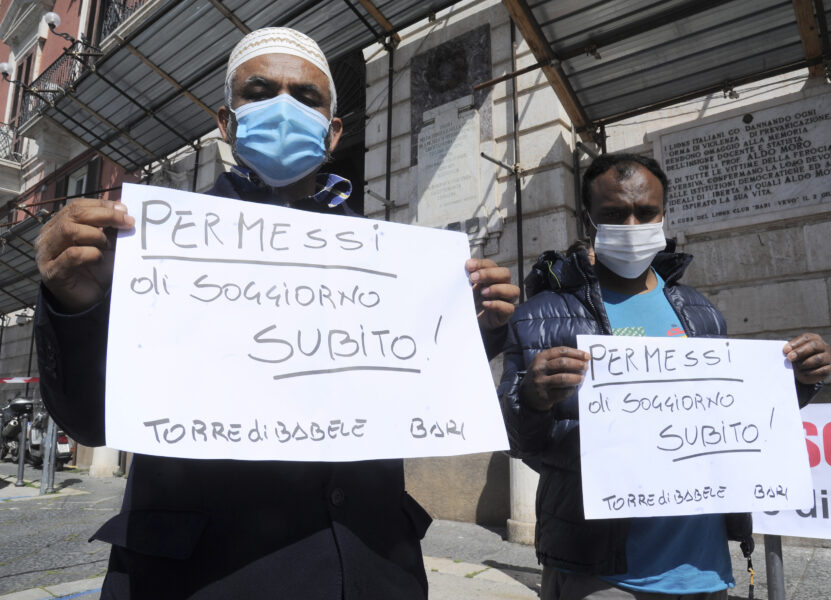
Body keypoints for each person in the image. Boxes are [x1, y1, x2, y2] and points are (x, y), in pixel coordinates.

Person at [35, 28, 518, 600]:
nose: (284, 108)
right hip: (202, 581)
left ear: (333, 131)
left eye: (307, 97)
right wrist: (75, 302)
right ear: (227, 122)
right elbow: (91, 422)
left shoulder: (389, 264)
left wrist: (469, 329)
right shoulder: (152, 248)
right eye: (260, 92)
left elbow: (414, 393)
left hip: (373, 572)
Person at [498, 153, 831, 600]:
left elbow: (734, 413)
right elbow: (518, 441)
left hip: (705, 571)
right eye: (614, 214)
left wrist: (799, 380)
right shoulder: (540, 317)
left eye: (646, 212)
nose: (632, 225)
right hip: (600, 575)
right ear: (588, 218)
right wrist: (531, 398)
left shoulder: (700, 311)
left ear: (663, 214)